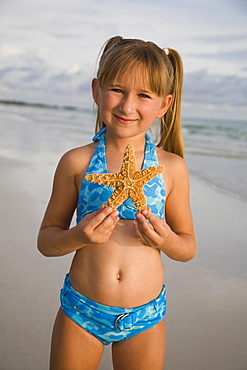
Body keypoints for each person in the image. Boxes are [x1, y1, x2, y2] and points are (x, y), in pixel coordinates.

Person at [38, 35, 197, 370]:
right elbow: (47, 241)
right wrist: (78, 235)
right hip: (81, 310)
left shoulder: (171, 168)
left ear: (163, 105)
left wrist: (166, 239)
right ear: (96, 91)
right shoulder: (77, 163)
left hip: (146, 316)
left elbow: (187, 246)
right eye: (117, 90)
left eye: (143, 96)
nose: (127, 106)